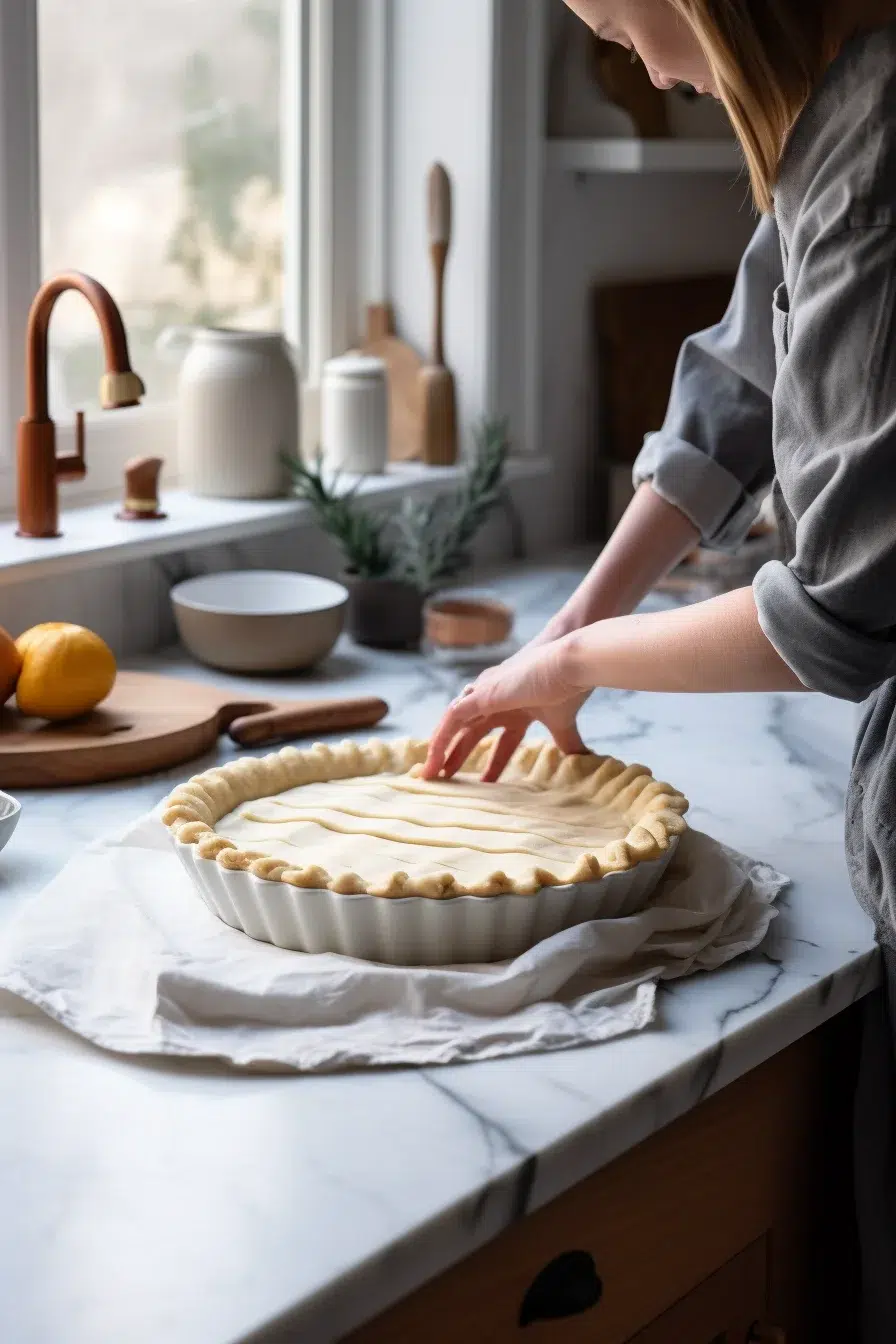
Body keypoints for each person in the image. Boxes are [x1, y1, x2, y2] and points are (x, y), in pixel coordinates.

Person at [422, 1, 896, 1338]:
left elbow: (840, 616)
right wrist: (570, 625)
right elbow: (739, 386)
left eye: (619, 25)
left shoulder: (876, 136)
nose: (628, 60)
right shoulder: (834, 108)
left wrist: (580, 657)